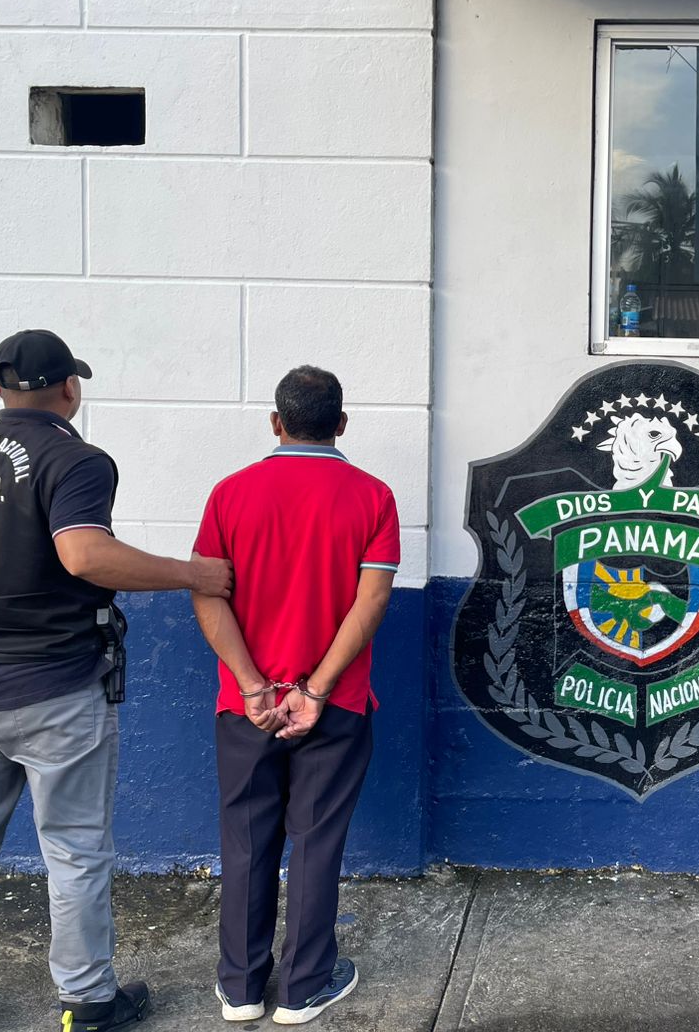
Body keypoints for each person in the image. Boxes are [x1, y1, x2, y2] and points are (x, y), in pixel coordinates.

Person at [0, 329, 234, 1032]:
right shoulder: (76, 460)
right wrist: (191, 574)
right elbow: (84, 555)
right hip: (55, 692)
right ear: (69, 388)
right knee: (75, 853)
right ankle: (86, 1004)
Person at [191, 365, 398, 1026]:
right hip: (335, 706)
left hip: (245, 707)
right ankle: (304, 988)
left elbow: (207, 596)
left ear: (276, 422)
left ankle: (241, 988)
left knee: (246, 843)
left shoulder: (229, 495)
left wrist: (254, 686)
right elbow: (372, 601)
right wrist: (316, 689)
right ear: (342, 424)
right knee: (316, 841)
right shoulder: (373, 497)